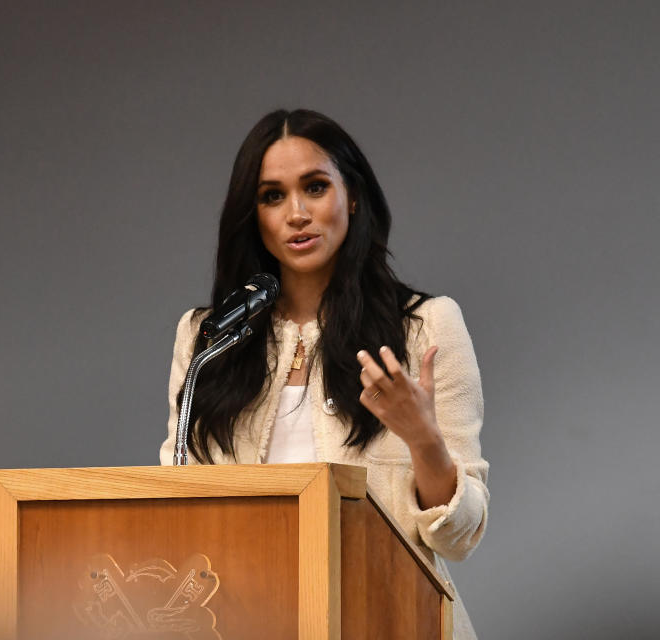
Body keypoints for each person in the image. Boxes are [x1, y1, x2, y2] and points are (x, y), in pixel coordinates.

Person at [159, 109, 488, 638]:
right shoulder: (208, 338)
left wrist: (423, 438)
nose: (296, 213)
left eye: (315, 187)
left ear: (352, 197)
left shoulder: (426, 327)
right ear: (253, 215)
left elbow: (461, 537)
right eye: (272, 195)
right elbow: (176, 505)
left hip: (391, 617)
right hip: (250, 621)